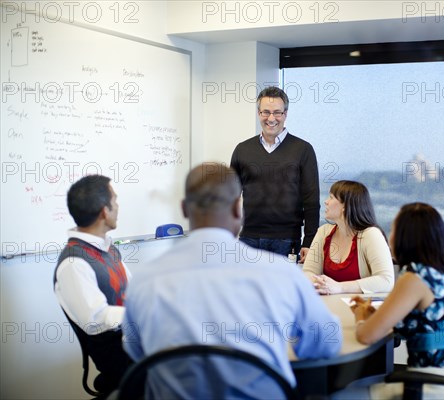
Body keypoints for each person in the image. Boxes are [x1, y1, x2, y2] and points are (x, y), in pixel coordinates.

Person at [122, 163, 342, 399]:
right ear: (239, 209)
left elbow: (137, 351)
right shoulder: (281, 273)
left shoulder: (144, 280)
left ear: (184, 210)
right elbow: (325, 343)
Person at [349, 203, 444, 399]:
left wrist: (360, 317)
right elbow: (423, 325)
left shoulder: (415, 278)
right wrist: (378, 317)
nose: (390, 237)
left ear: (406, 238)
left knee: (341, 394)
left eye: (394, 229)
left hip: (437, 387)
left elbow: (366, 337)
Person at [53, 175, 132, 394]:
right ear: (105, 211)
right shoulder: (74, 263)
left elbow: (131, 291)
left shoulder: (108, 250)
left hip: (134, 342)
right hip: (121, 358)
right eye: (115, 201)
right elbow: (96, 319)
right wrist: (141, 314)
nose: (117, 206)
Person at [230, 86, 320, 263]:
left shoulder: (303, 150)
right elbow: (229, 197)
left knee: (283, 291)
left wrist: (309, 241)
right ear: (258, 113)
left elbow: (311, 200)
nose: (271, 118)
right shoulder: (242, 149)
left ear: (285, 114)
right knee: (248, 291)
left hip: (287, 241)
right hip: (248, 239)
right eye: (266, 112)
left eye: (277, 112)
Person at [303, 180, 395, 294]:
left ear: (345, 206)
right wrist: (320, 283)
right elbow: (308, 272)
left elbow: (386, 281)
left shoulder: (371, 234)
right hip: (328, 307)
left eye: (331, 197)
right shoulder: (323, 232)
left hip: (359, 308)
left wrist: (339, 287)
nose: (326, 202)